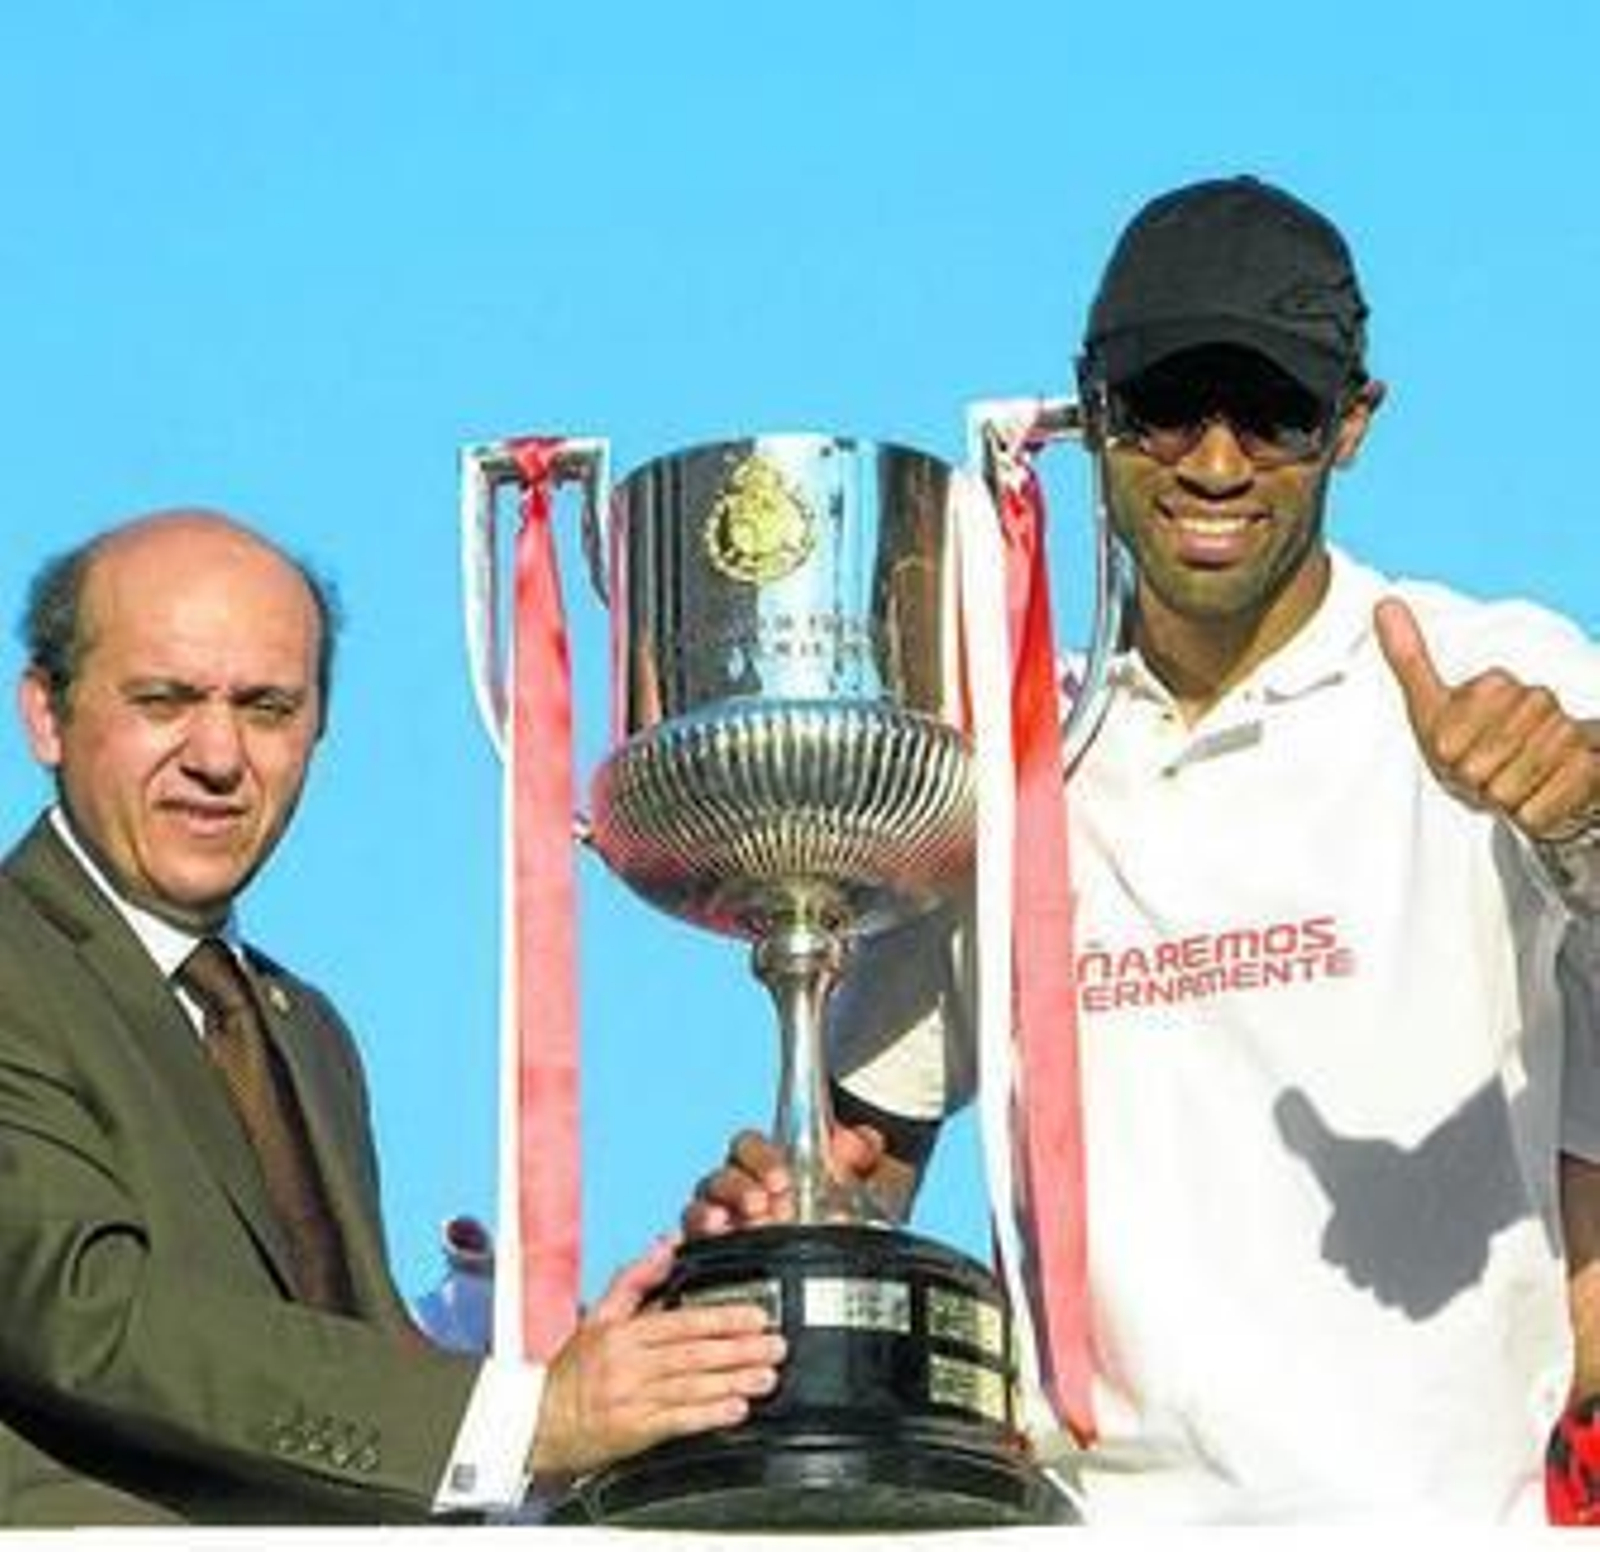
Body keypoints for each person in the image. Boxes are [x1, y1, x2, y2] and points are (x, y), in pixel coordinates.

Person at [688, 176, 1600, 1522]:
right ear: (1088, 410)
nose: (1216, 462)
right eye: (1167, 403)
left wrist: (1578, 810)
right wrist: (793, 1211)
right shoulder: (1008, 760)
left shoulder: (1495, 671)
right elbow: (861, 1153)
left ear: (1353, 423)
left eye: (1275, 410)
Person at [0, 509, 783, 1525]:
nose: (218, 754)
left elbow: (341, 1399)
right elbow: (86, 1314)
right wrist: (527, 1417)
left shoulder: (302, 1032)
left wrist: (658, 1345)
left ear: (318, 730)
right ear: (46, 715)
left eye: (269, 707)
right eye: (164, 699)